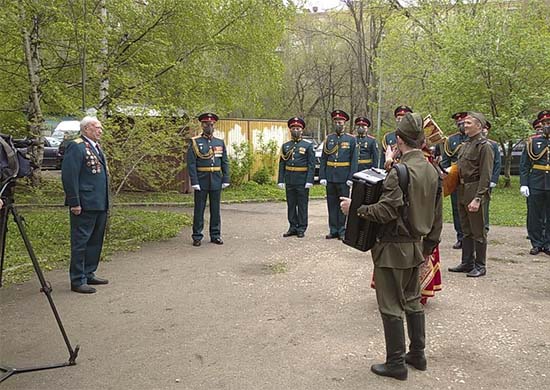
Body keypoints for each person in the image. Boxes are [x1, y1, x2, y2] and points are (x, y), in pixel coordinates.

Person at [340, 112, 442, 381]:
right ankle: (417, 355)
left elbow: (386, 211)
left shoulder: (399, 171)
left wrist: (355, 209)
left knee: (390, 305)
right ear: (421, 141)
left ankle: (396, 362)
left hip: (392, 248)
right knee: (412, 301)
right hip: (415, 247)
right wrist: (428, 248)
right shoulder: (432, 169)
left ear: (399, 141)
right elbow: (438, 216)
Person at [61, 116, 109, 294]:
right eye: (97, 127)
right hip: (84, 203)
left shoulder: (95, 147)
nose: (100, 130)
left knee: (95, 240)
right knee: (81, 241)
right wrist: (74, 202)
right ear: (87, 128)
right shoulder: (77, 146)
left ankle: (89, 272)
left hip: (99, 202)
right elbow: (69, 175)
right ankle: (77, 279)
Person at [447, 112, 494, 277]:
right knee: (465, 229)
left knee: (478, 230)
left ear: (479, 126)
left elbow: (486, 175)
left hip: (475, 190)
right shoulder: (465, 145)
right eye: (464, 123)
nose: (464, 125)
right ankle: (467, 262)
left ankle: (480, 265)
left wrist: (478, 198)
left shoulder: (484, 146)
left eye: (468, 123)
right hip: (462, 189)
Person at [187, 112, 230, 247]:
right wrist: (194, 182)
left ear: (214, 125)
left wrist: (226, 178)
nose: (209, 127)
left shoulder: (219, 142)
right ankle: (197, 236)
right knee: (199, 209)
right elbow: (191, 164)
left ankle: (215, 235)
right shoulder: (195, 142)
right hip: (201, 180)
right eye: (206, 124)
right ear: (202, 125)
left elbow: (225, 162)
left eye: (211, 124)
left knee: (215, 210)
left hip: (216, 179)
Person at [319, 109, 357, 240]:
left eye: (340, 122)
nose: (338, 124)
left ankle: (342, 229)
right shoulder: (329, 139)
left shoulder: (351, 140)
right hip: (331, 177)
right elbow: (324, 158)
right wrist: (322, 176)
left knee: (342, 205)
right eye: (336, 122)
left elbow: (354, 160)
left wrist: (351, 177)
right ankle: (333, 229)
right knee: (331, 204)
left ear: (345, 123)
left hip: (344, 177)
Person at [277, 117, 315, 238]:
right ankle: (292, 226)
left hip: (302, 180)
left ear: (302, 130)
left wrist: (309, 180)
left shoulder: (308, 146)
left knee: (302, 205)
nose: (296, 130)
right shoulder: (286, 146)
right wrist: (280, 180)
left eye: (298, 128)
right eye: (293, 128)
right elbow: (282, 164)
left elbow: (311, 165)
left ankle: (302, 228)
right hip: (290, 180)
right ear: (290, 130)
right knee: (291, 204)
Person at [520, 110, 550, 255]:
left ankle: (548, 243)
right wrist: (524, 183)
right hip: (536, 182)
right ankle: (536, 243)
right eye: (544, 123)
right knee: (534, 215)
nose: (546, 126)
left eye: (549, 123)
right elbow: (525, 165)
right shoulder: (532, 141)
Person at [442, 111, 469, 250]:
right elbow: (446, 159)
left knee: (470, 208)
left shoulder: (474, 138)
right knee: (457, 208)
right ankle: (460, 236)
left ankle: (471, 237)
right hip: (454, 176)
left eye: (464, 122)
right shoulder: (450, 140)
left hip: (470, 177)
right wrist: (446, 172)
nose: (461, 125)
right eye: (459, 123)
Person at [482, 120, 501, 232]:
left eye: (486, 128)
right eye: (482, 128)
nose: (484, 130)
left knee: (484, 203)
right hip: (476, 178)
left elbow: (497, 163)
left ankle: (485, 226)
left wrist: (494, 179)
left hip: (488, 178)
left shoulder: (493, 144)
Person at [379, 105, 413, 169]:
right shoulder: (388, 137)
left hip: (409, 170)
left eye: (403, 119)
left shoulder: (414, 137)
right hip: (392, 171)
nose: (400, 121)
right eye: (399, 118)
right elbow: (383, 160)